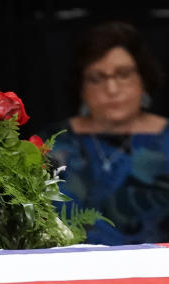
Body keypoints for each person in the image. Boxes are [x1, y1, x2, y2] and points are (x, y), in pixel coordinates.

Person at [45, 21, 169, 244]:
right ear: (81, 87)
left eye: (123, 74)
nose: (111, 89)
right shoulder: (54, 143)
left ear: (143, 79)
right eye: (97, 78)